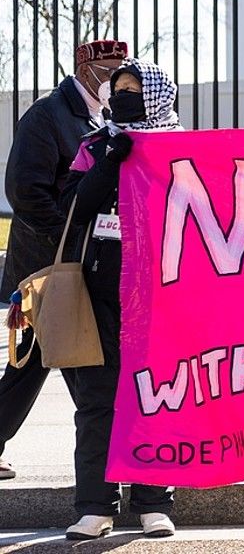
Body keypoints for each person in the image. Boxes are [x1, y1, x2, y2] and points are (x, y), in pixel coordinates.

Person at [60, 58, 179, 540]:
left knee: (157, 394)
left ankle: (154, 503)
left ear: (158, 95)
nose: (125, 96)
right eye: (119, 88)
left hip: (163, 296)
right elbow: (74, 205)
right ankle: (95, 505)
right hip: (97, 294)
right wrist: (111, 159)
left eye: (136, 88)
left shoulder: (182, 150)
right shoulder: (95, 146)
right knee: (97, 399)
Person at [1, 39, 127, 480]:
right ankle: (112, 446)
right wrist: (68, 234)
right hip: (47, 263)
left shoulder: (102, 117)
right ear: (84, 67)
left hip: (75, 262)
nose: (114, 77)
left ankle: (109, 444)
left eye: (119, 69)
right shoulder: (47, 114)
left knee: (43, 359)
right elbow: (24, 190)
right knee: (66, 358)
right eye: (107, 68)